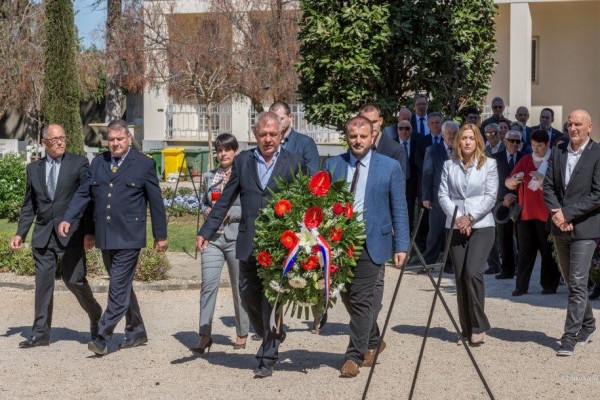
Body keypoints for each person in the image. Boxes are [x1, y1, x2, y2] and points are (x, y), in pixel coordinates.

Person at [196, 112, 305, 378]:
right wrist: (206, 231)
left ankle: (267, 356)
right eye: (263, 134)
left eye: (273, 134)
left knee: (271, 300)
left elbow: (304, 201)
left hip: (279, 244)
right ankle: (272, 332)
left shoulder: (294, 162)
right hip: (247, 242)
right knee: (247, 296)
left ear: (281, 135)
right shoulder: (243, 161)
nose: (268, 139)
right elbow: (225, 199)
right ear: (255, 135)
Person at [58, 119, 168, 356]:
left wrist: (160, 235)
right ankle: (137, 330)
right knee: (123, 286)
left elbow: (156, 202)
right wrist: (68, 217)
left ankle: (103, 336)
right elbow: (83, 194)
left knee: (117, 287)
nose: (115, 144)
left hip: (130, 236)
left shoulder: (143, 164)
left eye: (120, 139)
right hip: (106, 236)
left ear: (128, 138)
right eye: (111, 139)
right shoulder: (99, 163)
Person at [323, 116, 409, 377]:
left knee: (361, 299)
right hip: (339, 243)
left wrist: (402, 244)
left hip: (372, 242)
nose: (358, 141)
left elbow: (400, 208)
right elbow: (322, 203)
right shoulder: (333, 165)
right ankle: (373, 339)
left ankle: (353, 356)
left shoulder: (390, 167)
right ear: (346, 137)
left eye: (363, 136)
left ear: (373, 137)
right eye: (353, 136)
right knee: (347, 297)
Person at [10, 124, 102, 348]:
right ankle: (40, 334)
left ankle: (96, 314)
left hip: (70, 235)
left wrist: (89, 232)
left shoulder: (78, 163)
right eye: (55, 139)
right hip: (43, 236)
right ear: (44, 143)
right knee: (43, 285)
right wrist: (20, 233)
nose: (61, 142)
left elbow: (88, 201)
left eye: (63, 137)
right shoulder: (33, 169)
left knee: (74, 281)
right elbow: (29, 205)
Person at [543, 109, 600, 356]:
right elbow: (548, 186)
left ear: (590, 127)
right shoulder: (558, 150)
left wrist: (569, 214)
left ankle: (570, 336)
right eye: (569, 124)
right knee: (570, 281)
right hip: (559, 225)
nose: (573, 128)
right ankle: (588, 323)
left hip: (585, 228)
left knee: (577, 281)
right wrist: (558, 213)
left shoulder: (598, 153)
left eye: (578, 124)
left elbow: (598, 194)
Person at [438, 123, 498, 345]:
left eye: (471, 138)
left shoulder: (489, 165)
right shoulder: (448, 165)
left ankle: (479, 325)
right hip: (454, 225)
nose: (467, 142)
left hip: (482, 225)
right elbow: (443, 195)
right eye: (463, 138)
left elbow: (491, 196)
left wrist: (470, 217)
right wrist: (458, 219)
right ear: (457, 141)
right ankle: (466, 329)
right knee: (461, 277)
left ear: (478, 141)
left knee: (473, 272)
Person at [192, 134, 249, 353]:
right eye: (219, 150)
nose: (223, 154)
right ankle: (204, 334)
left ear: (235, 151)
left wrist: (229, 213)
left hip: (236, 238)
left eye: (227, 149)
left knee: (239, 287)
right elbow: (205, 203)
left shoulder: (243, 175)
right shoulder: (209, 176)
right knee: (208, 286)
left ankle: (242, 332)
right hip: (213, 239)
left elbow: (248, 205)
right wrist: (208, 211)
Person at [505, 130, 561, 296]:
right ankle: (521, 286)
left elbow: (561, 184)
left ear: (547, 144)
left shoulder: (554, 160)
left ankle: (549, 285)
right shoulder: (525, 160)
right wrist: (514, 181)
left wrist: (542, 179)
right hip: (527, 214)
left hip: (547, 214)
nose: (536, 149)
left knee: (548, 251)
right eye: (534, 145)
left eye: (540, 146)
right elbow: (509, 182)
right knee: (525, 252)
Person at [422, 120, 459, 272]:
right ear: (442, 135)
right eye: (448, 133)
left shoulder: (461, 151)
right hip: (437, 199)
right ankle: (429, 264)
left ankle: (450, 265)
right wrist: (426, 196)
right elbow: (427, 174)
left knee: (452, 233)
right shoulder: (432, 150)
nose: (451, 135)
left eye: (454, 133)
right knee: (435, 233)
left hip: (456, 199)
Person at [491, 130, 523, 280]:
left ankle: (521, 269)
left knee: (522, 239)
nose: (514, 144)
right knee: (504, 238)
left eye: (518, 141)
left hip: (520, 203)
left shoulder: (525, 158)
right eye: (512, 140)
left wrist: (515, 196)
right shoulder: (495, 159)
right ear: (505, 140)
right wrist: (504, 196)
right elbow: (492, 182)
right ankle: (507, 270)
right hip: (502, 203)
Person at [414, 112, 444, 253]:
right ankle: (422, 249)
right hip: (427, 187)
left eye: (438, 123)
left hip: (443, 186)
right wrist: (431, 168)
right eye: (432, 123)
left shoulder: (448, 140)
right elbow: (417, 159)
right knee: (426, 220)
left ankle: (442, 250)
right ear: (428, 125)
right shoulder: (422, 141)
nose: (435, 125)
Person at [269, 101, 320, 176]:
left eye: (281, 119)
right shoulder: (268, 142)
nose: (277, 123)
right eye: (274, 119)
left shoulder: (305, 142)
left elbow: (313, 174)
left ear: (290, 117)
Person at [359, 103, 407, 178]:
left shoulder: (396, 150)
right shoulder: (356, 147)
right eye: (366, 122)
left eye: (374, 122)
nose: (371, 126)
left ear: (380, 121)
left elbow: (399, 185)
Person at [397, 119, 419, 234]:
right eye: (401, 128)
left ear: (411, 130)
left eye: (407, 128)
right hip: (397, 183)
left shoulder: (417, 143)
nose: (404, 131)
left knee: (410, 211)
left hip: (412, 183)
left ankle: (409, 235)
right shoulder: (393, 144)